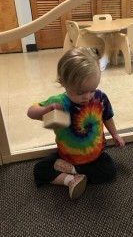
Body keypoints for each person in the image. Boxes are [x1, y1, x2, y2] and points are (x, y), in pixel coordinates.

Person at [27, 47, 125, 200]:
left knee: (110, 171)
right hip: (66, 156)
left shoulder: (100, 98)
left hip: (96, 156)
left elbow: (107, 117)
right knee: (40, 169)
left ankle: (72, 171)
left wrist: (115, 134)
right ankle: (70, 180)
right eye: (80, 92)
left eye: (92, 90)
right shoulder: (59, 102)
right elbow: (31, 112)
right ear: (63, 82)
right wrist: (47, 110)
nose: (87, 96)